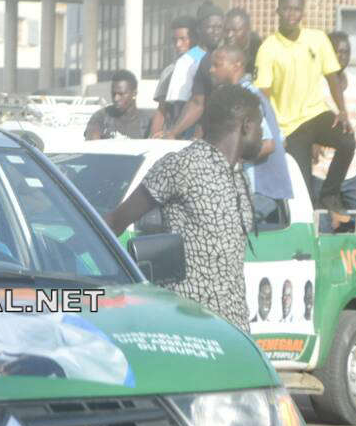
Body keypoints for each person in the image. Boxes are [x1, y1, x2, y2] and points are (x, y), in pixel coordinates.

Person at [105, 84, 261, 331]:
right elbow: (116, 222)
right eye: (260, 126)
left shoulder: (240, 177)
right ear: (247, 125)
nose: (262, 134)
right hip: (191, 326)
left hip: (235, 331)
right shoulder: (183, 165)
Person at [254, 0, 354, 217]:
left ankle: (330, 195)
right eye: (286, 9)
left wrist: (343, 112)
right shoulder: (268, 48)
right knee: (303, 192)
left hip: (316, 114)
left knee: (348, 141)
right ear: (277, 11)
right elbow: (264, 96)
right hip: (291, 127)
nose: (292, 14)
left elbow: (332, 77)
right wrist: (272, 132)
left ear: (302, 13)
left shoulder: (317, 39)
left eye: (296, 9)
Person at [209, 45, 293, 221]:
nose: (212, 70)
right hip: (259, 191)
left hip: (261, 190)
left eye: (217, 64)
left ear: (236, 66)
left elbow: (269, 144)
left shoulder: (247, 97)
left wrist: (232, 160)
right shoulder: (245, 94)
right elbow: (281, 140)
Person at [310, 32, 356, 229]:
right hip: (323, 169)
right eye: (335, 52)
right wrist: (312, 142)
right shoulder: (315, 85)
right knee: (322, 226)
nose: (340, 56)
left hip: (355, 167)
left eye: (345, 52)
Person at [160, 2, 226, 140]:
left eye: (219, 27)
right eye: (210, 27)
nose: (216, 32)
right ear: (199, 29)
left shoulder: (225, 57)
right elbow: (178, 107)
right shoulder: (186, 61)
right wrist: (175, 133)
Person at [149, 15, 195, 138]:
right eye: (174, 40)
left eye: (183, 39)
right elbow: (161, 111)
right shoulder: (169, 71)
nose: (178, 44)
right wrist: (152, 138)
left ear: (194, 38)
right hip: (174, 138)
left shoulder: (205, 67)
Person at [86, 69, 150, 140]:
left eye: (121, 94)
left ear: (134, 93)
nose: (116, 98)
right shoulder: (101, 117)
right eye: (113, 94)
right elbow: (92, 142)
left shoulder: (147, 122)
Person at [223, 8, 261, 76]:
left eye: (235, 30)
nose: (229, 35)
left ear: (248, 30)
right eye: (226, 30)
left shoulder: (260, 53)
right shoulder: (221, 54)